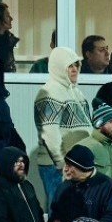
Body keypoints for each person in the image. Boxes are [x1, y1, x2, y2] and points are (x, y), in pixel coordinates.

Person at [32, 47, 92, 201]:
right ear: (58, 67)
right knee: (59, 215)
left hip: (76, 165)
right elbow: (49, 133)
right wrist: (61, 163)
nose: (75, 70)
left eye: (76, 65)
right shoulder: (49, 92)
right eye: (70, 66)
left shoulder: (77, 93)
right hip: (57, 167)